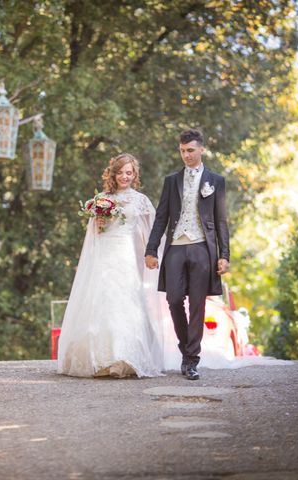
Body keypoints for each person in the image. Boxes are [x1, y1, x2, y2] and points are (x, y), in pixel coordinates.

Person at [57, 154, 163, 378]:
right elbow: (95, 233)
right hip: (104, 252)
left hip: (124, 254)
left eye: (129, 173)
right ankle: (99, 358)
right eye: (120, 172)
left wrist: (151, 254)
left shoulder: (140, 200)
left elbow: (150, 231)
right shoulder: (102, 199)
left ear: (134, 175)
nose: (124, 176)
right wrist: (99, 222)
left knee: (125, 300)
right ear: (113, 174)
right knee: (100, 298)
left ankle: (124, 358)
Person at [145, 129, 230, 381]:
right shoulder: (171, 181)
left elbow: (221, 220)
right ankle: (185, 348)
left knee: (197, 305)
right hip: (176, 246)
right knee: (173, 299)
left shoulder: (216, 181)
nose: (186, 155)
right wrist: (151, 249)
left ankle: (191, 359)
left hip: (202, 247)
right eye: (182, 151)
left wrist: (224, 254)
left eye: (190, 150)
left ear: (201, 149)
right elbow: (161, 217)